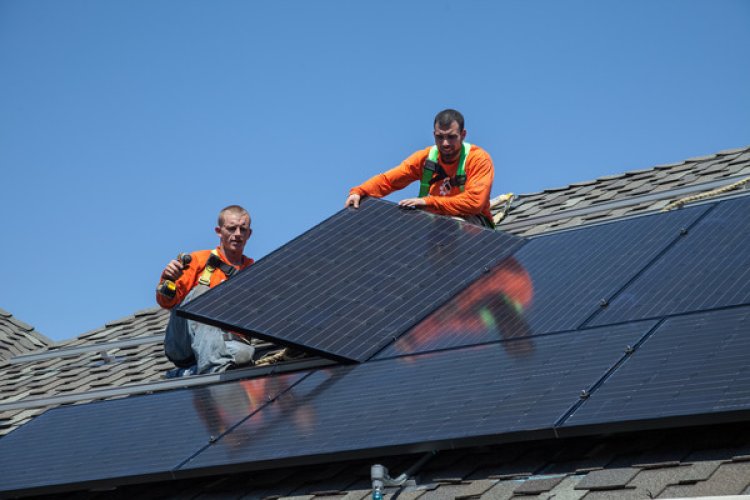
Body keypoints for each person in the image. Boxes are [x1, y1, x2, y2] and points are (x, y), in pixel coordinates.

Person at [345, 109, 495, 227]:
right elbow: (389, 180)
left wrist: (427, 202)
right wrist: (360, 191)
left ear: (463, 135)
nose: (445, 143)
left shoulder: (477, 159)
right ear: (433, 135)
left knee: (452, 225)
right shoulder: (426, 158)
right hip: (435, 222)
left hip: (471, 226)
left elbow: (475, 203)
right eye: (439, 137)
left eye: (451, 137)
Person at [157, 205, 256, 375]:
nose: (238, 234)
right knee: (203, 295)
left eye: (243, 229)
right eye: (232, 228)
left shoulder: (254, 271)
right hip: (184, 344)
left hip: (232, 345)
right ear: (219, 231)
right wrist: (169, 279)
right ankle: (215, 370)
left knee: (242, 355)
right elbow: (167, 302)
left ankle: (193, 372)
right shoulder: (199, 261)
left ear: (249, 234)